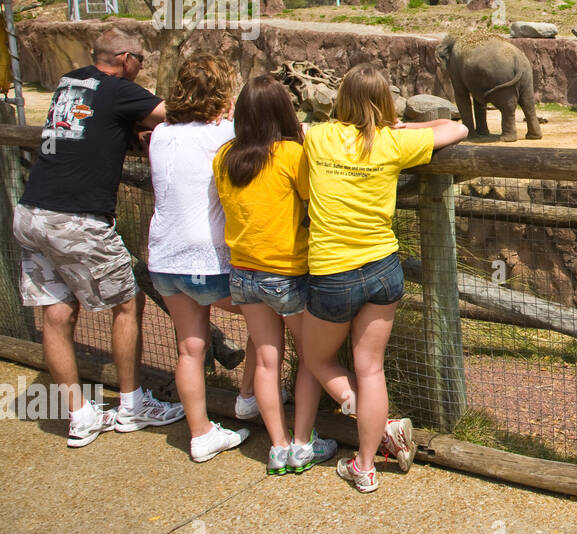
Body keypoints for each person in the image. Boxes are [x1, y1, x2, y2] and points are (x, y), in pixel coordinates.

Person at [300, 63, 468, 492]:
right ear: (384, 103)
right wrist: (405, 124)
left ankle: (365, 418)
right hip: (382, 268)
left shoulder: (317, 137)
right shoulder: (395, 143)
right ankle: (366, 465)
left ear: (341, 100)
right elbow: (458, 129)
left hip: (333, 272)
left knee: (317, 359)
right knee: (370, 368)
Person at [13, 30, 184, 447]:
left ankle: (80, 416)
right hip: (77, 218)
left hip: (32, 212)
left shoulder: (69, 82)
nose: (141, 68)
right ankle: (131, 403)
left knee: (55, 314)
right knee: (128, 302)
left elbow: (95, 124)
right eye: (141, 61)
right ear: (125, 59)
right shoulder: (120, 89)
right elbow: (172, 113)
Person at [214, 76, 337, 475]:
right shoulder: (289, 154)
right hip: (287, 274)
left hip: (244, 272)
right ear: (283, 110)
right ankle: (303, 443)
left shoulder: (225, 156)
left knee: (267, 361)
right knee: (310, 358)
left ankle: (277, 446)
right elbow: (310, 195)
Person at [147, 54, 250, 463]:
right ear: (223, 94)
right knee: (269, 315)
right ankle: (247, 397)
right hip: (207, 262)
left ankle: (201, 433)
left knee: (190, 347)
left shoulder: (159, 135)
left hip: (164, 260)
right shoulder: (224, 134)